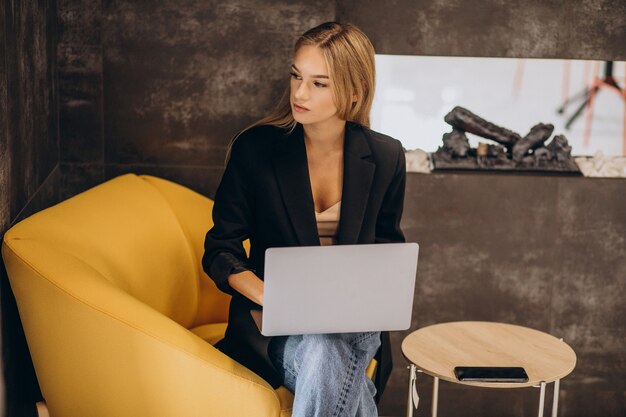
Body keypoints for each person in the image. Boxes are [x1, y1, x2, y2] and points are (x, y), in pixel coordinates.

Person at [202, 21, 406, 417]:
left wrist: (374, 297)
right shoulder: (256, 150)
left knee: (333, 341)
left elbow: (387, 250)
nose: (298, 92)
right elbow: (220, 249)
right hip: (274, 326)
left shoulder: (386, 156)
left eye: (319, 83)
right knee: (324, 352)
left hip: (354, 321)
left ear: (354, 90)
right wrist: (273, 298)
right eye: (297, 76)